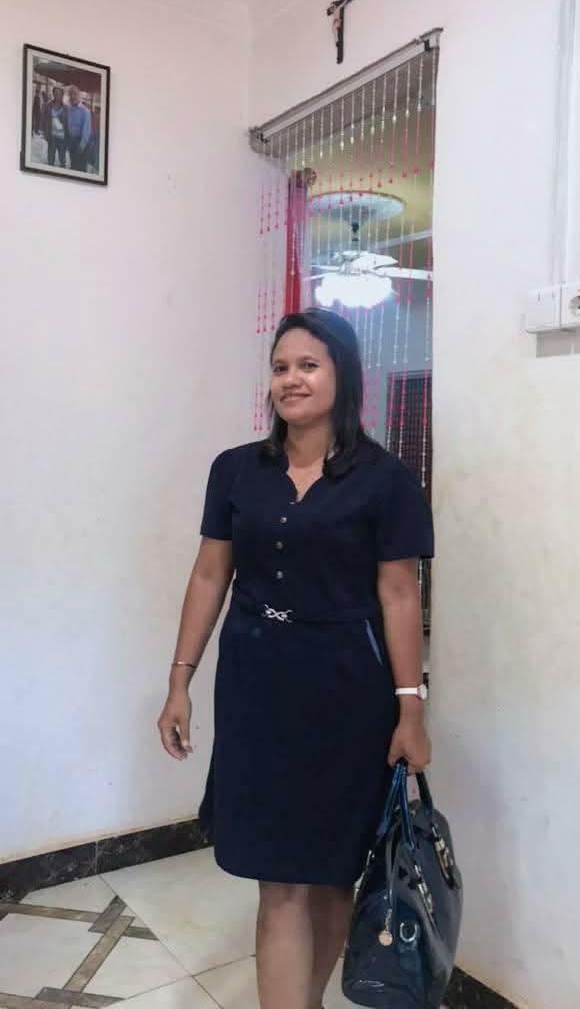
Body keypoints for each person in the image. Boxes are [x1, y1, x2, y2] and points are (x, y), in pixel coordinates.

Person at [157, 307, 434, 1009]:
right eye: (281, 367)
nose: (291, 379)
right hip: (255, 683)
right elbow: (209, 575)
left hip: (348, 689)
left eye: (308, 365)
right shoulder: (235, 470)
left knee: (334, 871)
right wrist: (179, 680)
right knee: (277, 876)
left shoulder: (387, 480)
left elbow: (399, 594)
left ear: (343, 376)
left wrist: (411, 707)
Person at [65, 85, 92, 172]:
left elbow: (86, 131)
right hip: (72, 141)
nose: (72, 96)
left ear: (79, 95)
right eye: (70, 94)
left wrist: (81, 146)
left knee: (81, 169)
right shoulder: (69, 110)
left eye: (74, 94)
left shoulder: (85, 111)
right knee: (73, 166)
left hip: (81, 143)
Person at [43, 86, 68, 168]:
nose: (58, 96)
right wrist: (45, 134)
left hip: (62, 138)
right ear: (53, 94)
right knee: (50, 159)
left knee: (62, 160)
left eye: (60, 94)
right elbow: (44, 120)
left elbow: (68, 124)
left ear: (62, 95)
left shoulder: (66, 108)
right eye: (56, 93)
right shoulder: (48, 106)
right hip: (52, 137)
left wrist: (68, 138)